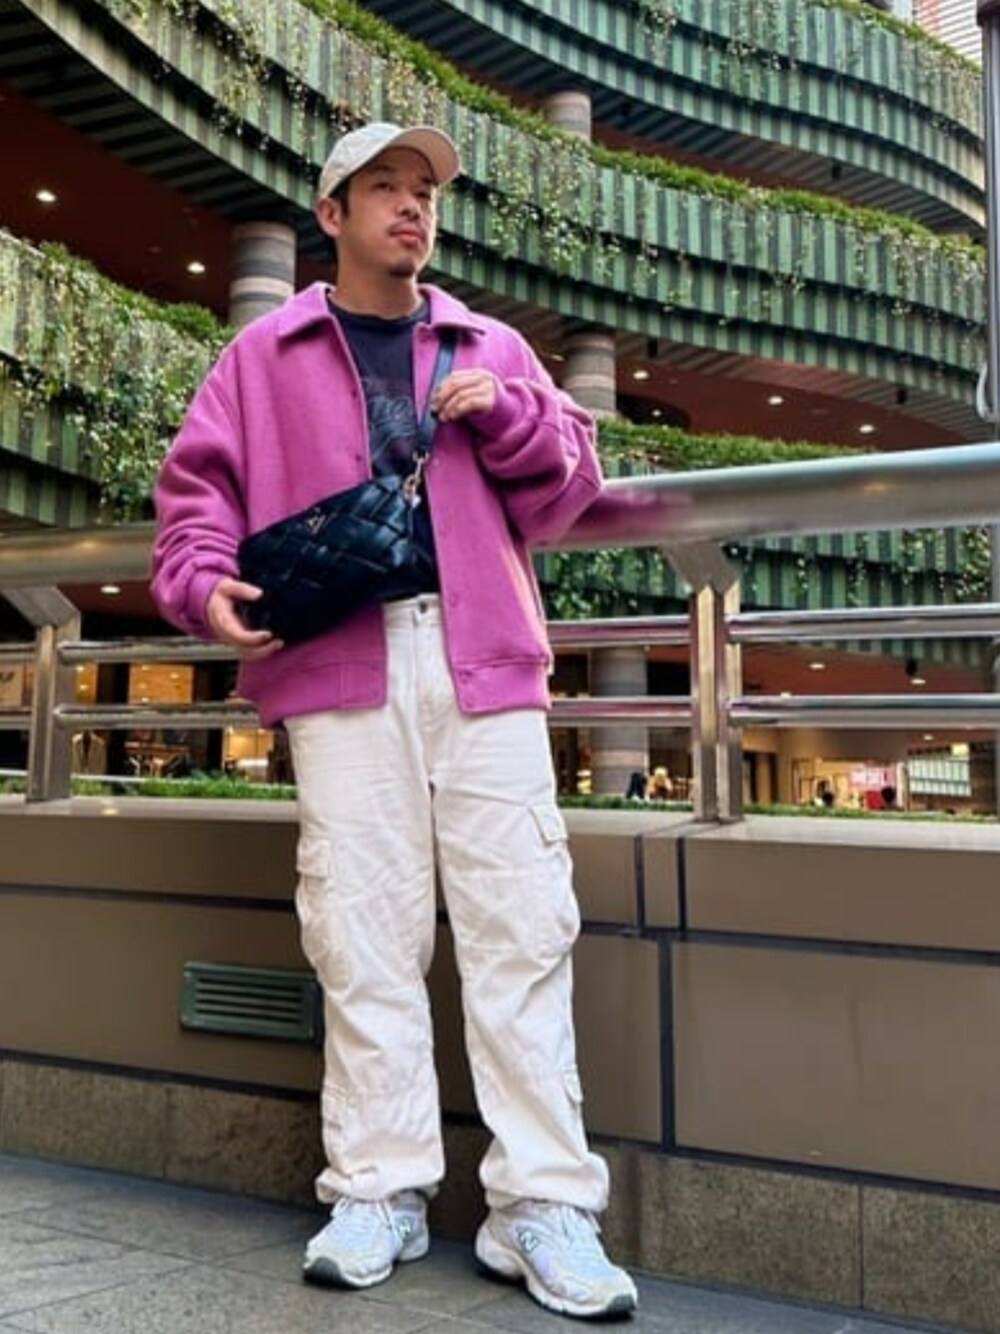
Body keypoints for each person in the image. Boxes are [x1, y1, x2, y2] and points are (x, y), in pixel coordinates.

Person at [150, 121, 637, 1319]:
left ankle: (543, 1205)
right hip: (337, 661)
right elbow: (194, 496)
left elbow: (572, 490)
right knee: (361, 932)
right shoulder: (262, 355)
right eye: (386, 187)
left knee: (521, 927)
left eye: (424, 190)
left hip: (482, 658)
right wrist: (203, 587)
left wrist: (509, 416)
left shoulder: (488, 344)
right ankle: (378, 1185)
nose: (413, 206)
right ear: (332, 213)